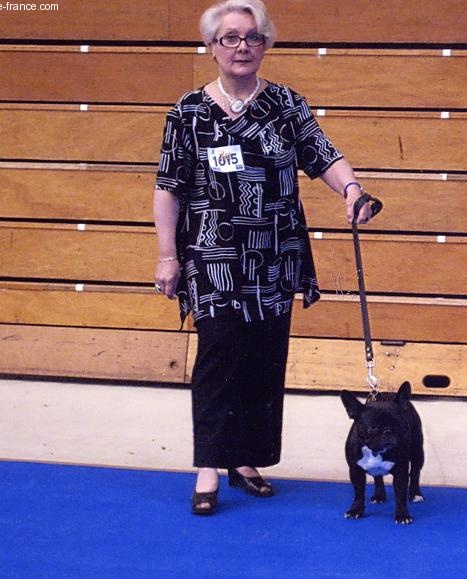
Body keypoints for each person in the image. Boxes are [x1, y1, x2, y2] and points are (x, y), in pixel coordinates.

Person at [153, 0, 374, 516]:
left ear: (266, 45)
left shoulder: (286, 105)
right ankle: (209, 464)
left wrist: (352, 190)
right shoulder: (188, 112)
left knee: (262, 360)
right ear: (211, 47)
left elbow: (323, 155)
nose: (242, 47)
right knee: (218, 356)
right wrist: (167, 257)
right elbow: (168, 188)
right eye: (230, 38)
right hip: (213, 257)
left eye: (253, 37)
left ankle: (245, 457)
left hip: (274, 256)